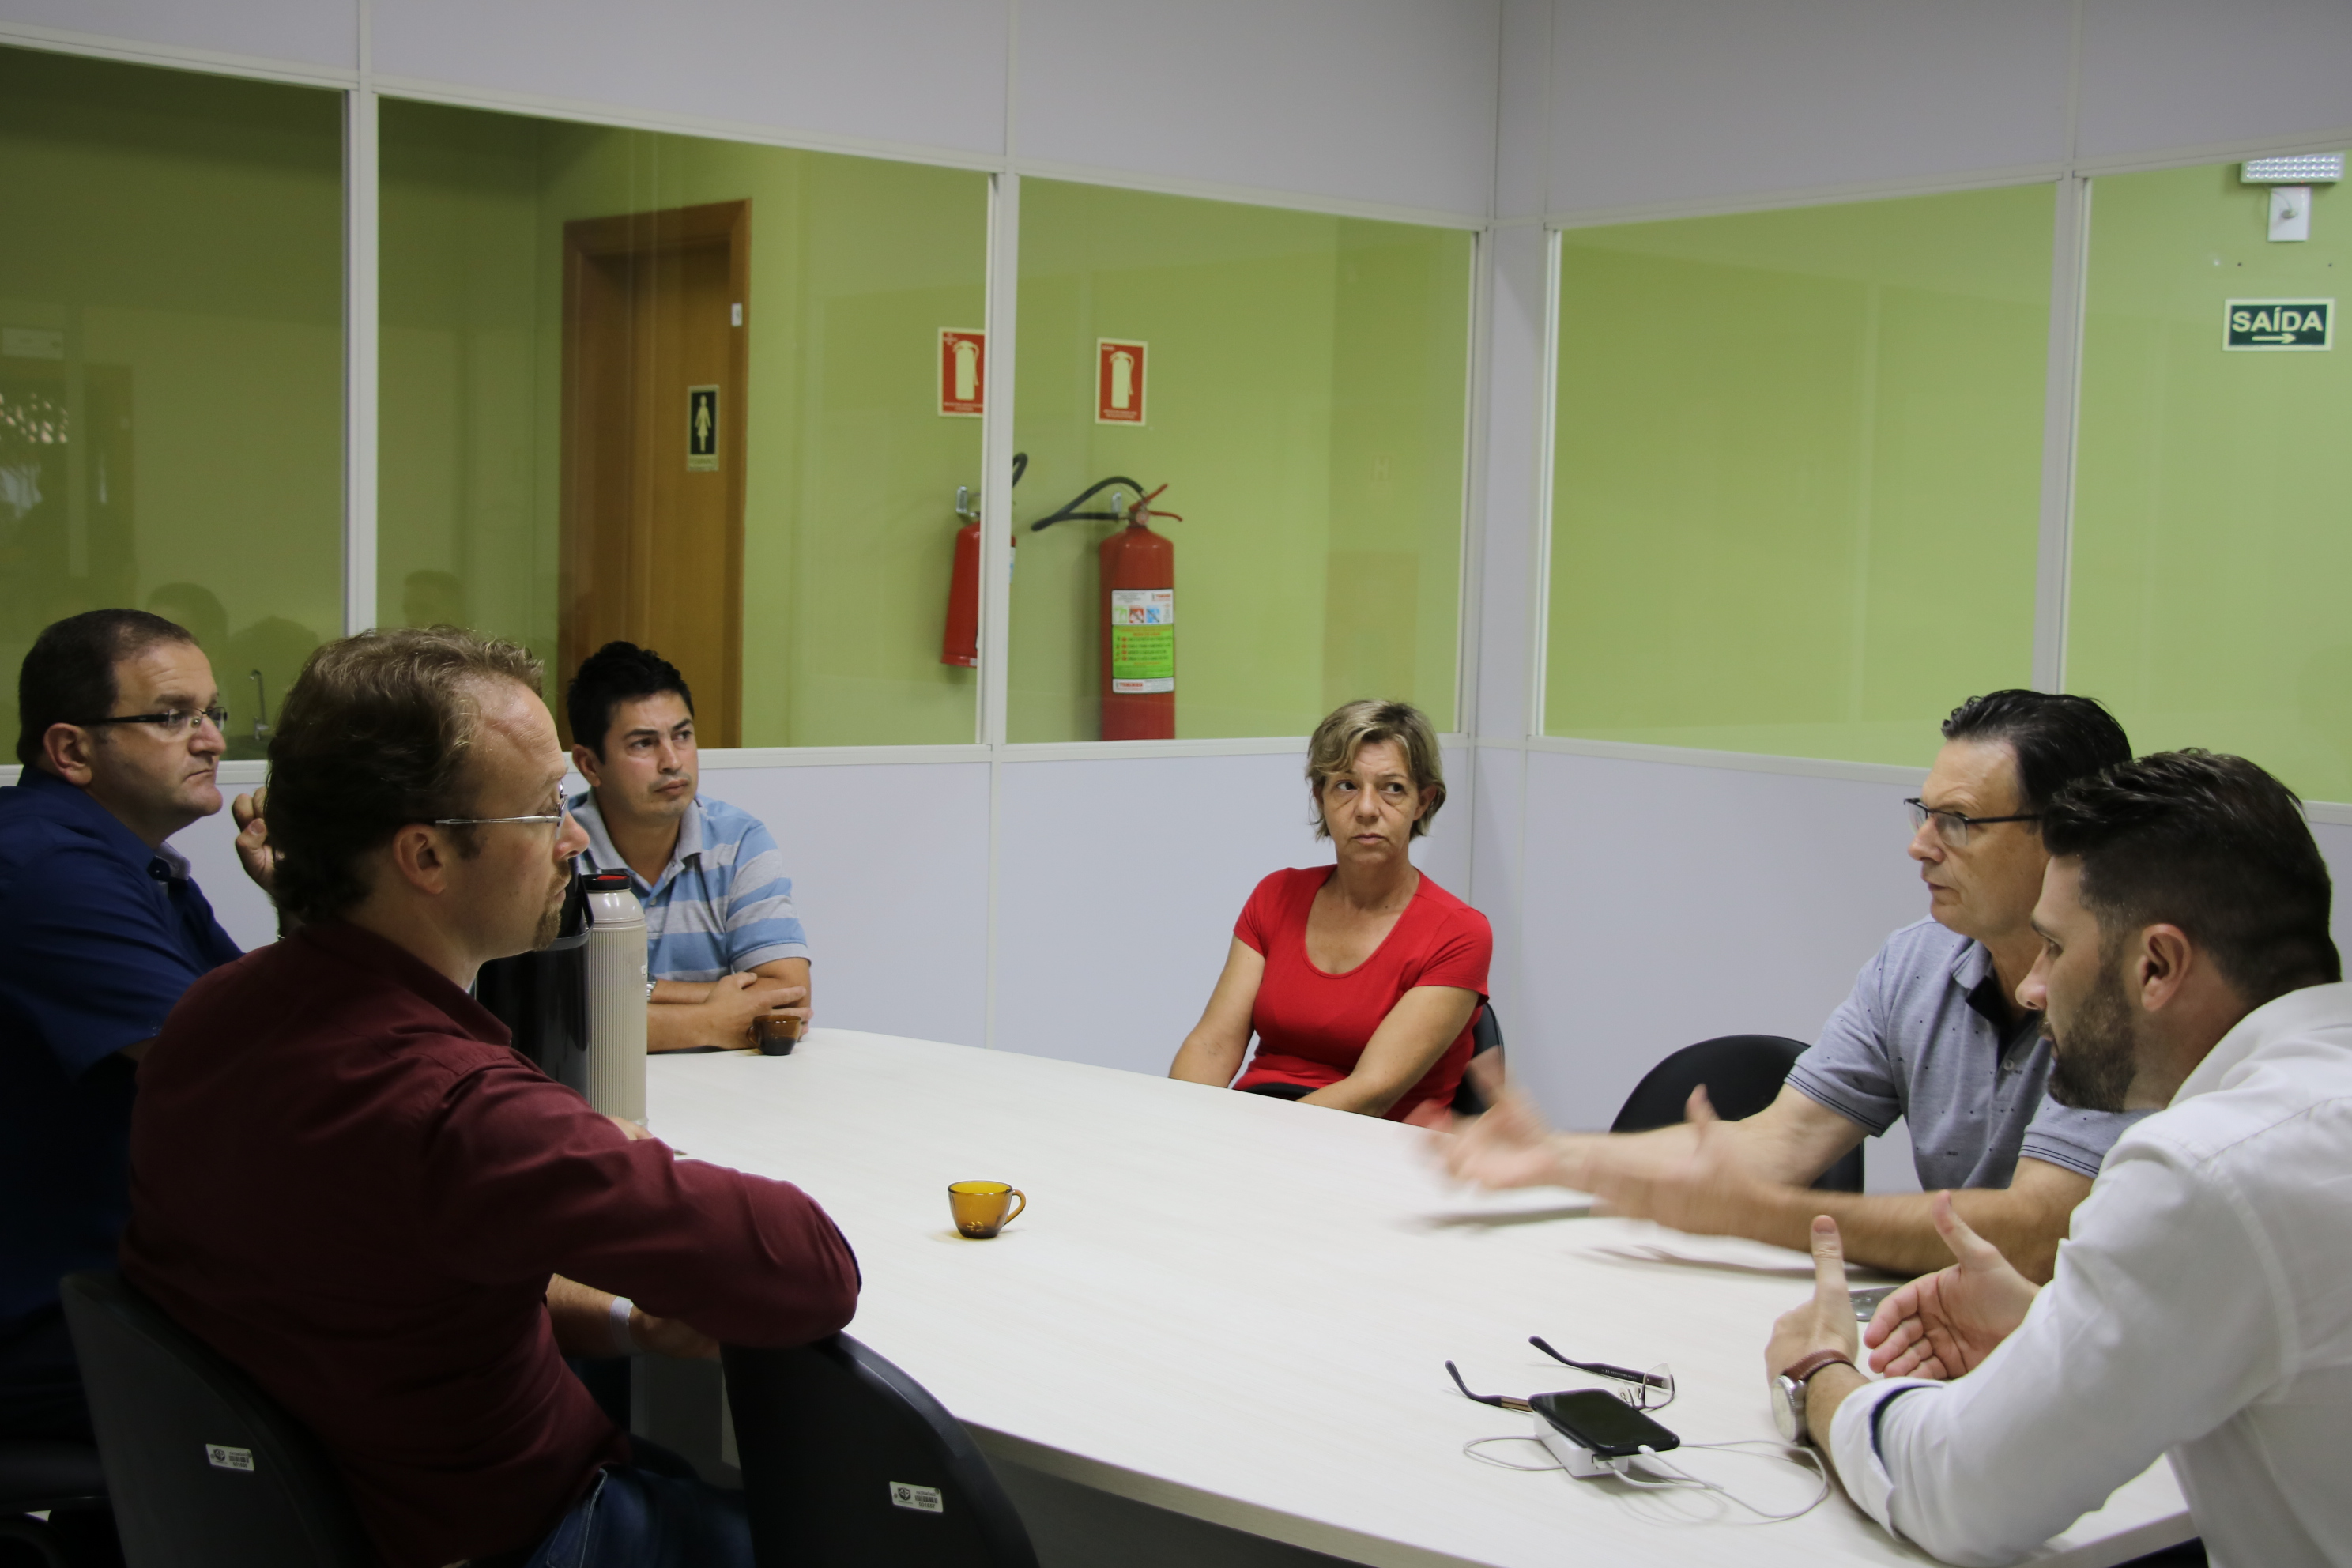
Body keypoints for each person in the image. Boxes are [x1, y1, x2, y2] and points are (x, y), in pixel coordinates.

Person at [121, 627, 859, 1568]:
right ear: (425, 856)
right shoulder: (458, 1109)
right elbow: (809, 1267)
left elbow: (391, 1295)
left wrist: (626, 1316)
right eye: (546, 808)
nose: (573, 838)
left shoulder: (211, 1019)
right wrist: (615, 1148)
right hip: (527, 1533)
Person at [1766, 750, 2352, 1566]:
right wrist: (2056, 1330)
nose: (2034, 988)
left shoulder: (2209, 1168)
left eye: (2053, 947)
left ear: (2157, 966)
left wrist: (1820, 1375)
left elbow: (1964, 1496)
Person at [1438, 690, 2139, 1281]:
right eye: (1922, 813)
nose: (1920, 845)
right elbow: (1779, 1142)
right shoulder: (1917, 963)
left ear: (2062, 835)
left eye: (1956, 822)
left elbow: (2041, 1230)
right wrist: (1563, 1155)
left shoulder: (2132, 991)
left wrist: (1773, 1219)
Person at [0, 610, 270, 1461]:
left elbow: (279, 1028)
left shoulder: (132, 862)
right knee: (410, 1350)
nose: (210, 741)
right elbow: (244, 1074)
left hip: (131, 1271)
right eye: (173, 716)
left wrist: (304, 902)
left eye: (213, 714)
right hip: (50, 1314)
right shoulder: (45, 867)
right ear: (72, 751)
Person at [1169, 699, 1490, 1122]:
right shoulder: (1276, 895)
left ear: (1422, 802)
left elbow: (1372, 1092)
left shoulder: (1459, 932)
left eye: (1393, 787)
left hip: (1375, 1147)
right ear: (1320, 796)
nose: (1368, 808)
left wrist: (1248, 1141)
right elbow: (1213, 1044)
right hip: (1260, 1122)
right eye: (1346, 785)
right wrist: (1174, 1126)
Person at [565, 642, 811, 1054]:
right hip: (594, 1097)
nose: (672, 760)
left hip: (719, 1094)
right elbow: (555, 1019)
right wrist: (712, 1018)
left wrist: (636, 992)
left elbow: (790, 1000)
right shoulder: (556, 851)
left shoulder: (738, 842)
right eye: (643, 743)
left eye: (682, 736)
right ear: (590, 765)